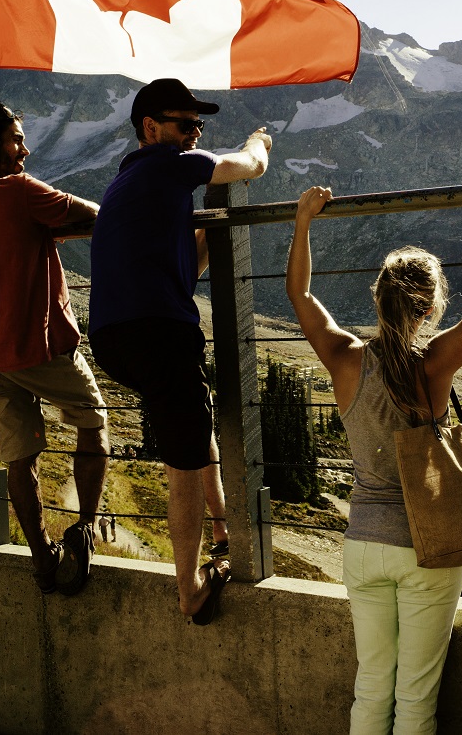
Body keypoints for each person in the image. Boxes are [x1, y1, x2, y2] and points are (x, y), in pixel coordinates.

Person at [286, 169, 462, 733]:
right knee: (416, 697)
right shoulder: (434, 365)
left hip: (362, 544)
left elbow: (298, 293)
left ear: (377, 297)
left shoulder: (345, 358)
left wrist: (302, 222)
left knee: (372, 684)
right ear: (431, 307)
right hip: (426, 548)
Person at [88, 78, 273, 625]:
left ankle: (222, 528)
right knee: (183, 465)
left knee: (194, 427)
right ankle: (190, 587)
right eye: (184, 124)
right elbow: (248, 165)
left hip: (116, 335)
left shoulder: (133, 181)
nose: (194, 134)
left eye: (199, 127)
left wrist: (205, 238)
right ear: (151, 128)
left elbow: (184, 269)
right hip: (157, 332)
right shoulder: (168, 165)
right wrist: (259, 141)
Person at [0, 96, 110, 595]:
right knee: (94, 423)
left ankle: (42, 559)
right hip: (40, 348)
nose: (25, 150)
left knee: (20, 460)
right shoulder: (19, 192)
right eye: (16, 140)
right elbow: (93, 213)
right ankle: (84, 530)